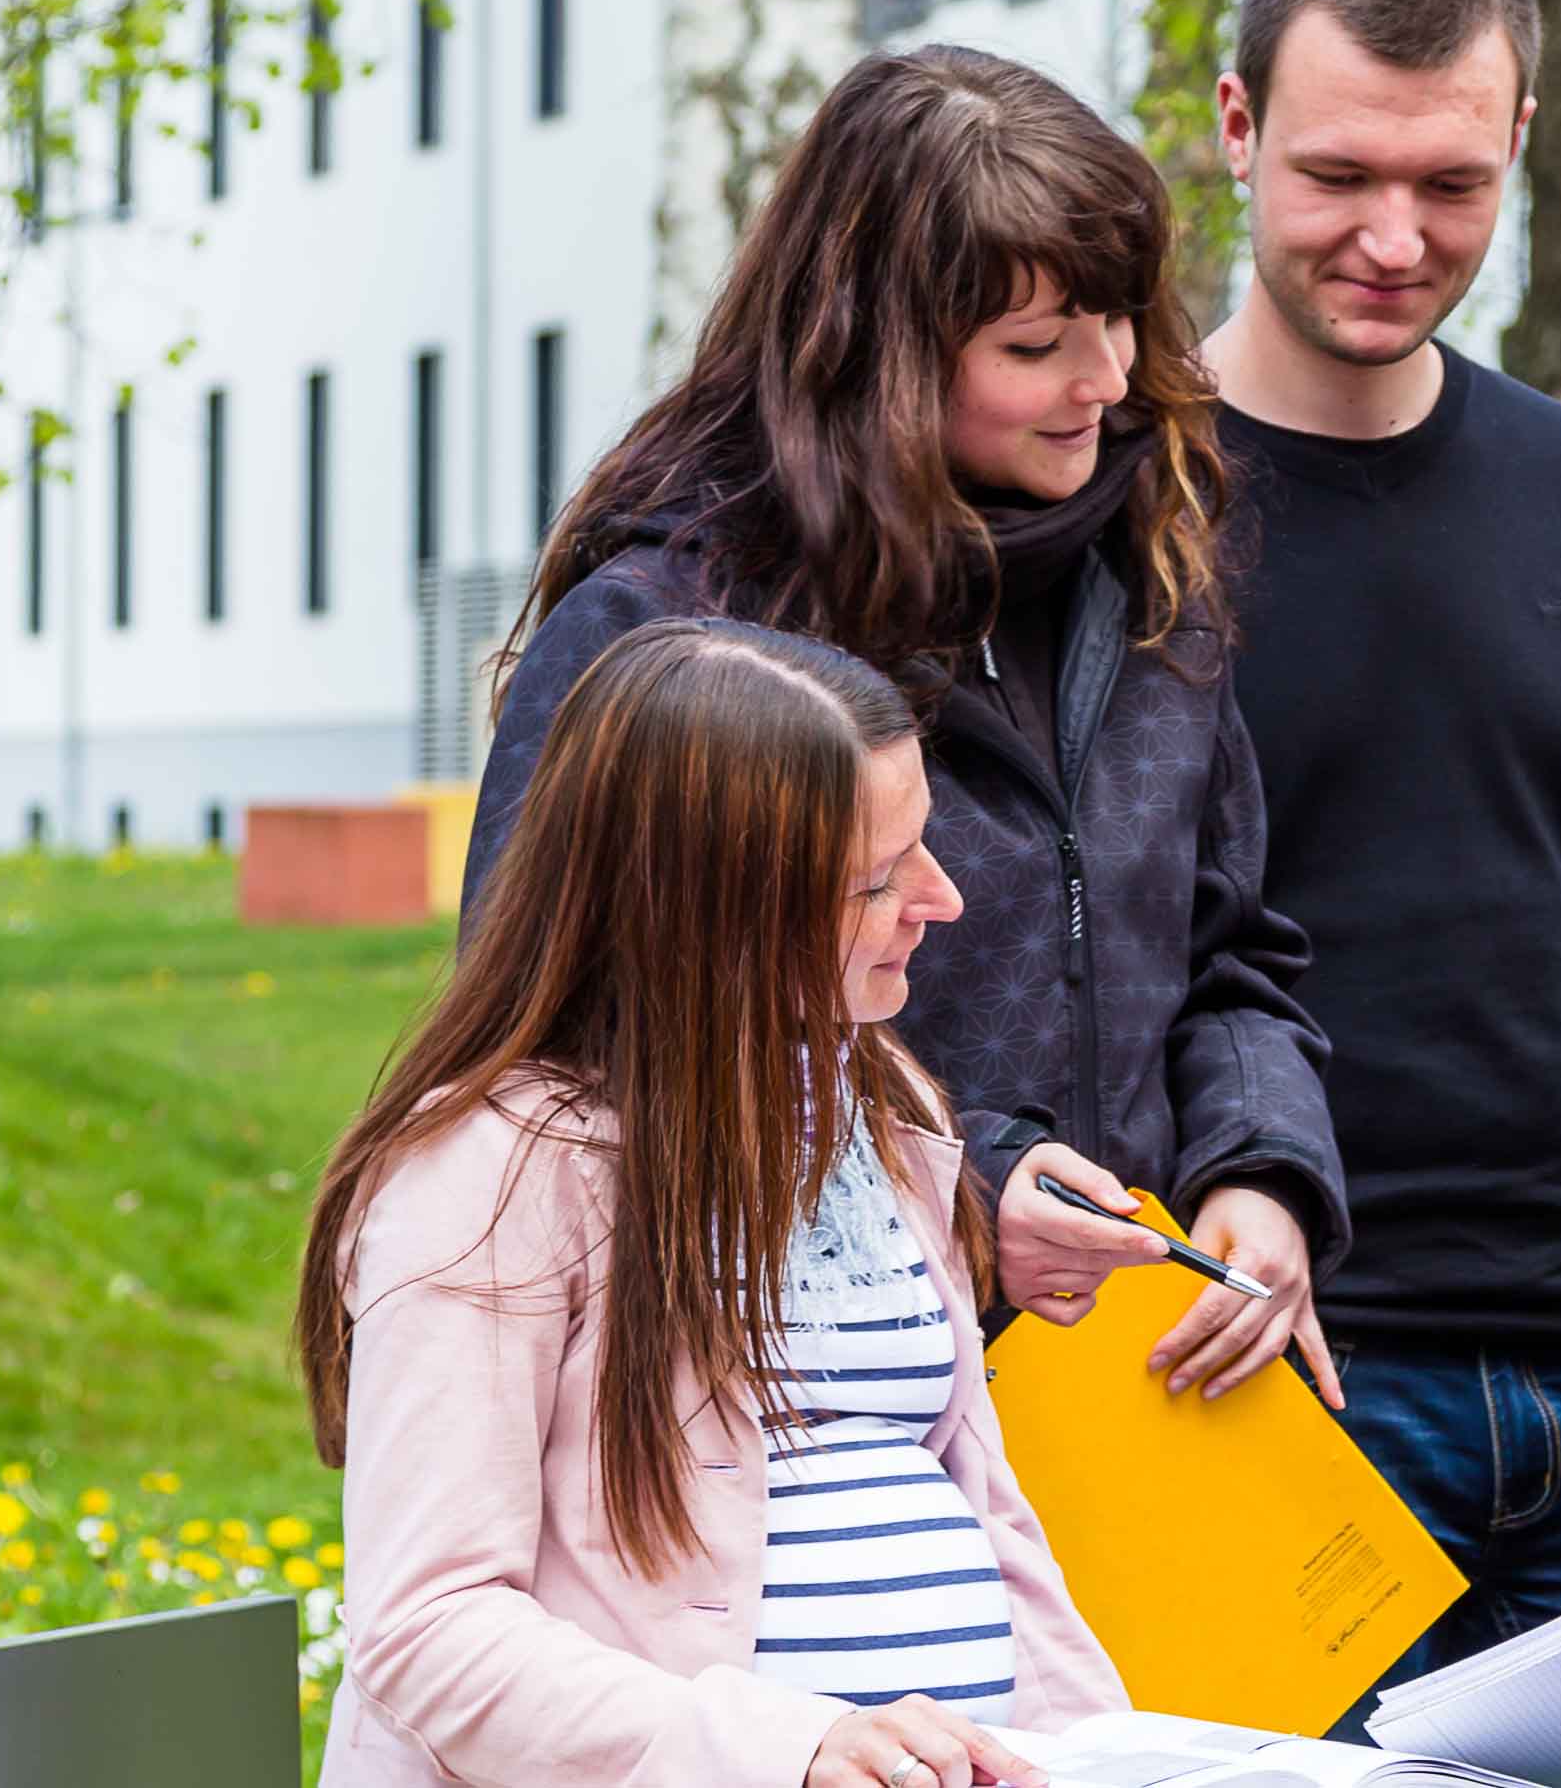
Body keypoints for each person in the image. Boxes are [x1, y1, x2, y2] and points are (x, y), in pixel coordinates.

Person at [465, 46, 1345, 1405]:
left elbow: (1226, 952)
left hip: (1130, 1397)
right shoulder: (665, 628)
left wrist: (1258, 1171)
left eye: (1120, 318)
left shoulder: (1150, 571)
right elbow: (566, 1067)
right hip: (802, 1416)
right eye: (1035, 347)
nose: (1107, 380)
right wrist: (967, 1184)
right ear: (874, 355)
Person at [298, 618, 1127, 1788]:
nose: (938, 902)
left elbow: (986, 1520)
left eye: (923, 847)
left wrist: (1103, 1750)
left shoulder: (887, 1111)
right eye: (875, 879)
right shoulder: (492, 1171)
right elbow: (429, 1627)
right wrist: (791, 1748)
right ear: (713, 911)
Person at [1199, 0, 1561, 1706]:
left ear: (1526, 144)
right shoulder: (1117, 507)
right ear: (1235, 123)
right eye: (1341, 172)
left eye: (1453, 182)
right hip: (1281, 1373)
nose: (1396, 238)